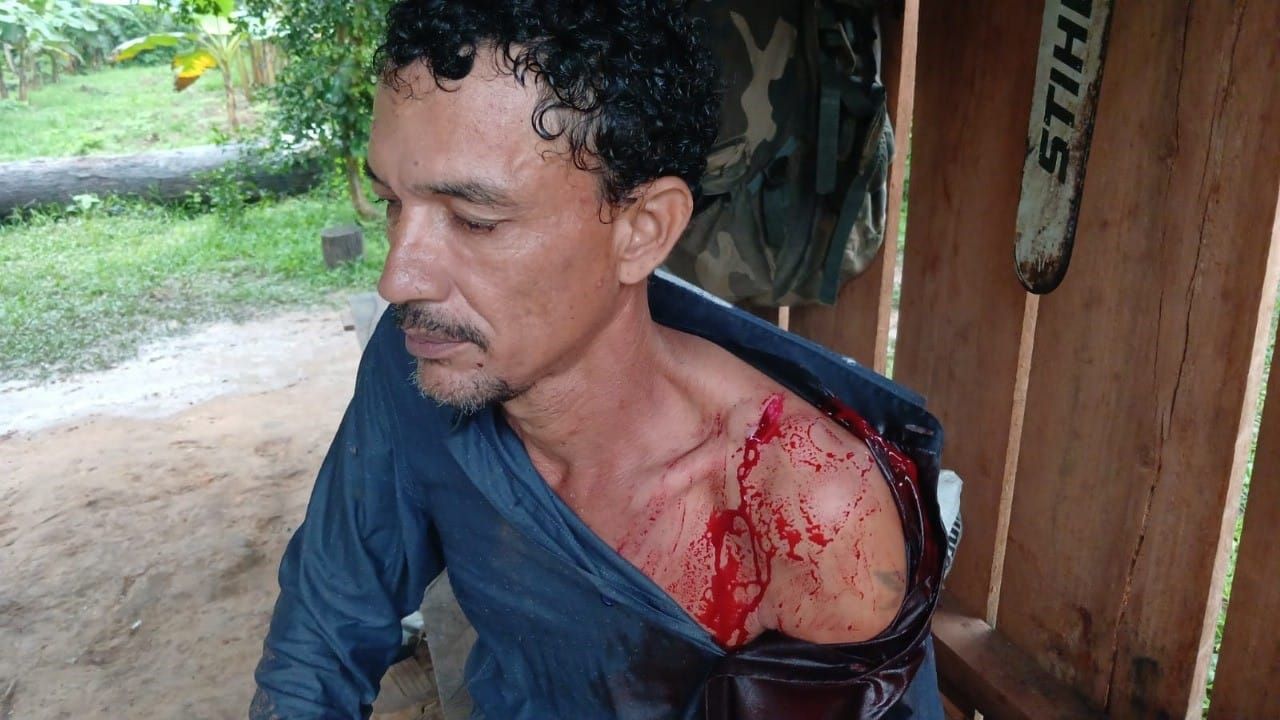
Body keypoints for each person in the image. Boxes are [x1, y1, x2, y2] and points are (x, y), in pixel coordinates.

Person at [251, 1, 946, 718]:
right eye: (393, 203)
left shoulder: (803, 511)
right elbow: (322, 637)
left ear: (643, 230)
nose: (398, 280)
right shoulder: (423, 360)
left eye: (475, 220)